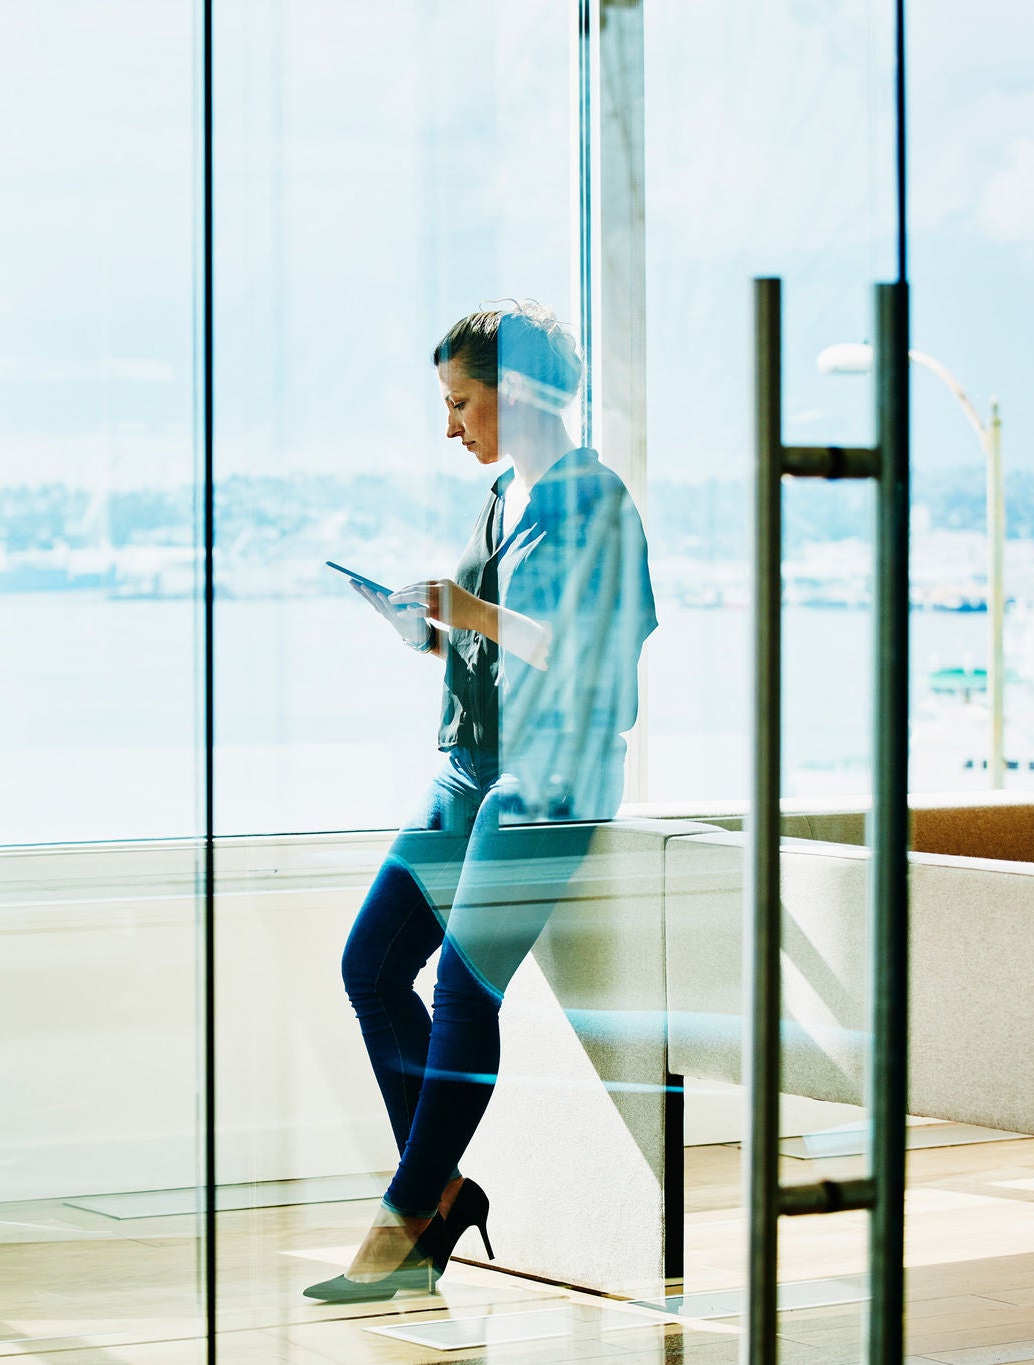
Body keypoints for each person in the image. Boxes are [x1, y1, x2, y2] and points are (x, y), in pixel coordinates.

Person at [305, 302, 657, 1303]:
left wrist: (462, 611)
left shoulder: (591, 501)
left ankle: (402, 1219)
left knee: (462, 990)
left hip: (549, 776)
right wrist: (425, 632)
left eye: (460, 403)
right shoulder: (504, 494)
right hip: (469, 763)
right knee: (369, 967)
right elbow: (493, 643)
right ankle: (442, 1188)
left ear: (524, 394)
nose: (448, 427)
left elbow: (576, 650)